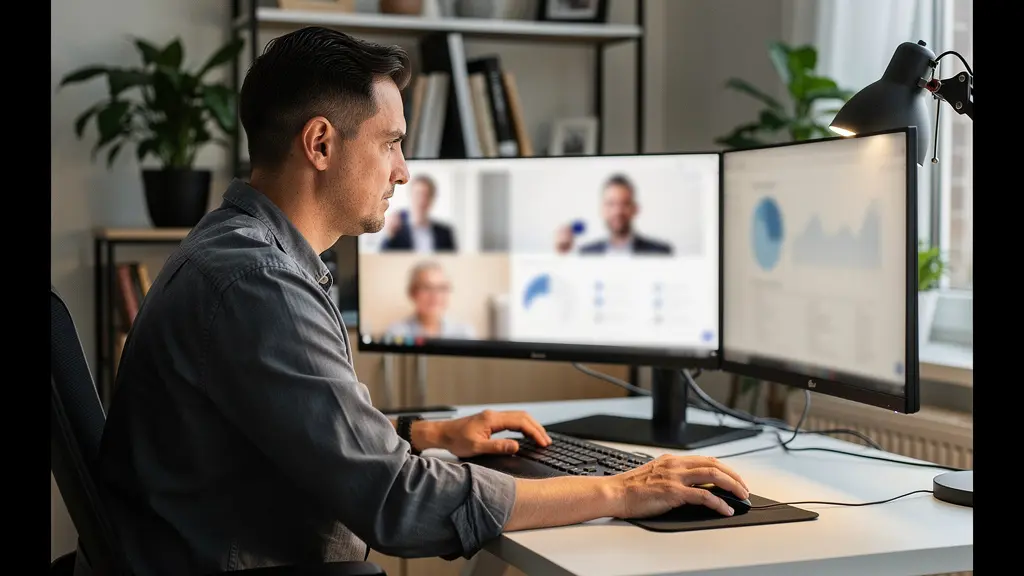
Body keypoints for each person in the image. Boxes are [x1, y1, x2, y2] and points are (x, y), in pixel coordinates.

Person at [95, 26, 749, 574]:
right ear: (320, 144)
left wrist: (426, 434)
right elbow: (398, 505)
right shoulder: (259, 284)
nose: (404, 170)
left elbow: (292, 433)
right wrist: (619, 490)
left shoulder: (239, 251)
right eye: (391, 143)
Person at [555, 174, 674, 255]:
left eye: (624, 204)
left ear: (635, 209)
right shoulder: (586, 254)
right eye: (611, 204)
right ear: (602, 210)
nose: (617, 211)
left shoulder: (660, 252)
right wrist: (562, 258)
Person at [384, 261, 476, 340]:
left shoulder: (464, 333)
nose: (435, 295)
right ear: (412, 293)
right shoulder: (396, 333)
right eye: (426, 287)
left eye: (442, 288)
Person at [380, 174, 457, 252]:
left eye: (426, 195)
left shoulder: (445, 233)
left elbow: (451, 261)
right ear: (411, 196)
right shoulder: (397, 231)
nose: (422, 200)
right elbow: (384, 257)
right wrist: (389, 235)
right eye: (418, 194)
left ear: (432, 198)